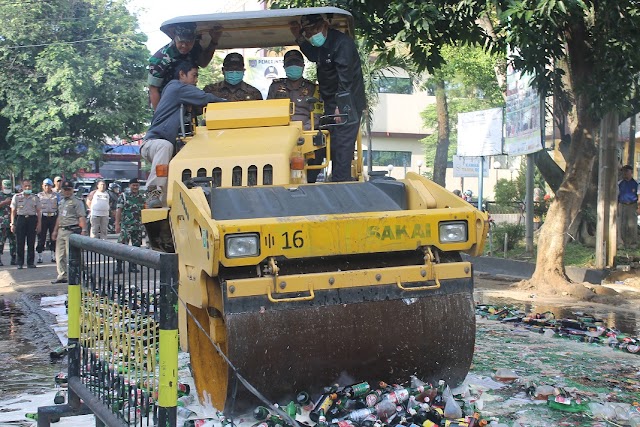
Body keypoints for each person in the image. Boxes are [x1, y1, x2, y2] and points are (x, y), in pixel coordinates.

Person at [290, 13, 366, 182]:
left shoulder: (342, 44)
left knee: (342, 145)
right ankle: (308, 182)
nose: (312, 35)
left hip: (348, 103)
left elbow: (345, 78)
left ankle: (341, 183)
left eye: (314, 30)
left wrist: (341, 106)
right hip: (332, 103)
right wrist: (299, 38)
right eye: (307, 33)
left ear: (324, 25)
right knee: (320, 140)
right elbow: (312, 55)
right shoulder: (322, 46)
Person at [141, 60, 226, 208]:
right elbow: (206, 98)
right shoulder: (177, 88)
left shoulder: (180, 94)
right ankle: (152, 191)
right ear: (182, 74)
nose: (196, 80)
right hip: (153, 143)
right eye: (194, 75)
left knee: (166, 204)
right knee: (165, 146)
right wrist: (229, 103)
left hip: (169, 151)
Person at [148, 22, 220, 110]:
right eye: (181, 41)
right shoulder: (160, 59)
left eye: (189, 42)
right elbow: (153, 90)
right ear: (174, 37)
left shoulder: (195, 49)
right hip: (167, 104)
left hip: (187, 101)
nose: (184, 46)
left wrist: (214, 41)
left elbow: (203, 63)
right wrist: (159, 116)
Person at [267, 49, 321, 131]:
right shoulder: (275, 87)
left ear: (303, 66)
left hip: (305, 132)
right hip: (279, 131)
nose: (293, 66)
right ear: (284, 67)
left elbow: (317, 115)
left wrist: (303, 129)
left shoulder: (312, 88)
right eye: (290, 64)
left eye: (297, 63)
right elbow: (268, 112)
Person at [51, 180, 87, 284]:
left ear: (72, 190)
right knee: (60, 255)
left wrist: (83, 230)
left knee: (72, 255)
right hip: (61, 230)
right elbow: (59, 217)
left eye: (69, 189)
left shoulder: (77, 201)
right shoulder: (62, 201)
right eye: (65, 189)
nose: (67, 192)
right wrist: (55, 231)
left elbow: (81, 216)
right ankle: (62, 275)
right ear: (62, 190)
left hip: (72, 230)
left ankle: (79, 273)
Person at [114, 178, 146, 274]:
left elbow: (145, 210)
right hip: (126, 226)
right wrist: (117, 224)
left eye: (137, 185)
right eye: (133, 185)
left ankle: (133, 266)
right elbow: (119, 210)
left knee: (136, 247)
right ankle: (119, 266)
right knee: (121, 246)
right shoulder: (124, 196)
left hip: (138, 226)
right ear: (129, 186)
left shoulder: (142, 197)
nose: (135, 187)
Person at [10, 180, 42, 269]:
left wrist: (39, 224)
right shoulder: (16, 197)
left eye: (29, 186)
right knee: (20, 242)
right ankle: (20, 262)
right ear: (22, 187)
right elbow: (13, 211)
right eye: (26, 186)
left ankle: (30, 262)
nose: (27, 188)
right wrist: (12, 223)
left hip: (32, 219)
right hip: (21, 219)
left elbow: (39, 211)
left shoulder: (35, 197)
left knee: (31, 242)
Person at [37, 178, 58, 263]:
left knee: (54, 236)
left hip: (53, 217)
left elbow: (59, 206)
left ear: (51, 186)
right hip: (43, 217)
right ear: (42, 186)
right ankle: (40, 255)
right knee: (41, 236)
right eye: (45, 185)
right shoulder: (39, 196)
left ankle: (53, 255)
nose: (47, 187)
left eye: (48, 185)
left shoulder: (56, 195)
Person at [617, 164, 639, 248]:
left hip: (632, 205)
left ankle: (633, 243)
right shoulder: (620, 183)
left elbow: (638, 196)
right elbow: (617, 196)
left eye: (627, 171)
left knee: (632, 224)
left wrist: (639, 207)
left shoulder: (636, 183)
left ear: (631, 172)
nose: (625, 173)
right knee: (622, 224)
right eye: (623, 171)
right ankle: (622, 243)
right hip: (622, 205)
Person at [0, 179, 17, 266]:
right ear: (2, 186)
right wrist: (5, 202)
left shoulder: (14, 196)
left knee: (13, 241)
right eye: (6, 187)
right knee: (1, 242)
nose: (7, 189)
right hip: (2, 223)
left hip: (13, 222)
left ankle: (14, 258)